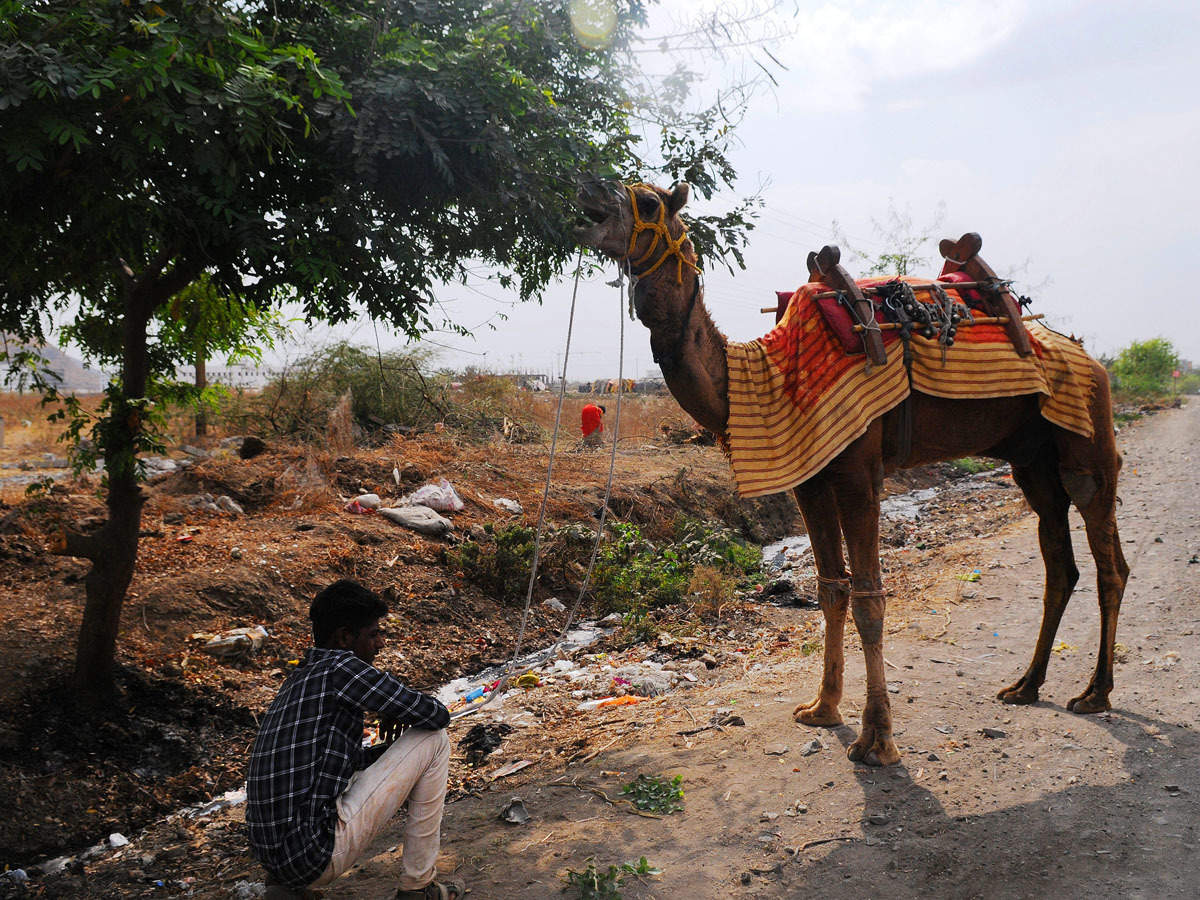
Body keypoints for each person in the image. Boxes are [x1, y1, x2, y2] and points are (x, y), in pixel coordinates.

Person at [247, 579, 462, 900]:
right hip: (312, 856)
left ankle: (291, 889)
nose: (381, 643)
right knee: (435, 740)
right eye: (373, 634)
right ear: (345, 636)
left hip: (277, 859)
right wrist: (401, 710)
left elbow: (334, 765)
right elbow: (436, 714)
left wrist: (391, 746)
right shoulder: (342, 666)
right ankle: (418, 888)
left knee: (393, 749)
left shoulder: (301, 676)